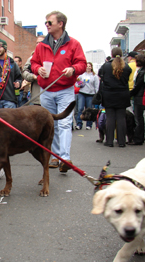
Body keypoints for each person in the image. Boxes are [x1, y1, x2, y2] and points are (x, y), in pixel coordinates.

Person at [31, 11, 86, 172]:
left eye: (49, 22)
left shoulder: (74, 44)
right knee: (50, 124)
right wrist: (38, 69)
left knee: (64, 123)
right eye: (46, 23)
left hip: (65, 89)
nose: (46, 25)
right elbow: (33, 63)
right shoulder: (41, 46)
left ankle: (65, 158)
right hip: (46, 90)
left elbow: (82, 63)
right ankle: (55, 157)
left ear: (60, 24)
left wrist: (73, 69)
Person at [98, 47, 132, 147]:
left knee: (110, 118)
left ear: (112, 54)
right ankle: (121, 141)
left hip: (109, 94)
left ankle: (109, 141)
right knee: (121, 118)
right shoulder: (126, 67)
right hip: (122, 94)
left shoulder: (106, 66)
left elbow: (101, 75)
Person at [0, 39, 22, 109]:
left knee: (9, 120)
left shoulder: (12, 63)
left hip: (9, 99)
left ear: (5, 49)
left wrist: (18, 83)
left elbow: (19, 77)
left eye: (0, 47)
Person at [128, 53, 145, 145]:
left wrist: (130, 94)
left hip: (139, 97)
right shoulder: (142, 71)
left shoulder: (142, 72)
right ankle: (140, 136)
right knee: (140, 118)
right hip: (140, 96)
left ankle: (138, 138)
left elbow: (137, 86)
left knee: (138, 118)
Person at [74, 62, 99, 130]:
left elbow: (97, 86)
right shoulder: (81, 75)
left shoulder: (94, 76)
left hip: (90, 95)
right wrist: (80, 84)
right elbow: (77, 84)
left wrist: (97, 95)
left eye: (89, 66)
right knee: (80, 109)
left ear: (91, 67)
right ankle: (79, 124)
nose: (88, 67)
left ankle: (89, 124)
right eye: (87, 66)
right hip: (82, 93)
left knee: (89, 110)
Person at [21, 35, 45, 106]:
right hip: (37, 98)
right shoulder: (32, 58)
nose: (38, 45)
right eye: (37, 43)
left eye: (40, 42)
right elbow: (24, 72)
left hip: (50, 96)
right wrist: (33, 76)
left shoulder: (53, 56)